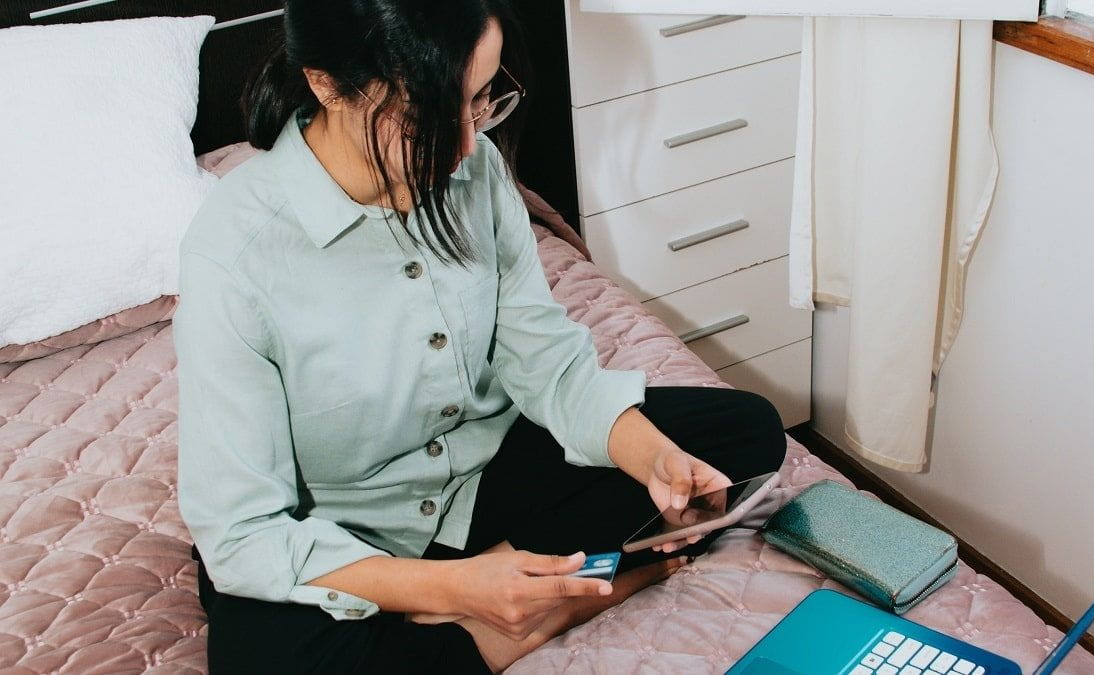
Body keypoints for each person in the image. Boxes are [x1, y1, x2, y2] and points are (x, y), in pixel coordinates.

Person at [173, 1, 786, 672]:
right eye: (431, 115)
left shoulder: (477, 169)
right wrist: (454, 588)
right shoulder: (233, 255)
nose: (466, 146)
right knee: (262, 656)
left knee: (743, 433)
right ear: (328, 84)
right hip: (345, 528)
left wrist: (652, 459)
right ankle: (526, 615)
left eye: (480, 101)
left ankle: (496, 601)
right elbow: (241, 535)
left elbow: (545, 361)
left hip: (484, 475)